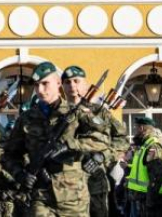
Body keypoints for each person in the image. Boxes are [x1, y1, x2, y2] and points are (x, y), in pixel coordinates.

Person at [2, 61, 110, 216]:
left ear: (58, 83)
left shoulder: (77, 113)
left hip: (73, 198)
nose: (40, 89)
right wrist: (20, 174)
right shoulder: (27, 118)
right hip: (40, 196)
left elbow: (102, 139)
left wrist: (70, 145)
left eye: (45, 84)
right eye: (36, 84)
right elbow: (9, 154)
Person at [61, 65, 130, 217]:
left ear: (85, 84)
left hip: (95, 182)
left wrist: (104, 157)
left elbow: (122, 140)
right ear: (62, 86)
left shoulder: (100, 112)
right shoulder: (58, 113)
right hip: (64, 185)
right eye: (67, 82)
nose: (72, 85)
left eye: (76, 81)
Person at [126, 117, 162, 217]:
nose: (135, 131)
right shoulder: (144, 145)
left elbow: (157, 175)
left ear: (142, 128)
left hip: (146, 197)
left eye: (137, 128)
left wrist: (150, 200)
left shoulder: (153, 145)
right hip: (139, 196)